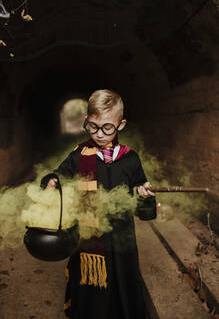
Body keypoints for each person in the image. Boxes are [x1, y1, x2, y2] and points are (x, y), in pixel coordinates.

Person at [40, 89, 156, 319]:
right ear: (86, 121)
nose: (99, 134)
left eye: (107, 127)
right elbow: (58, 176)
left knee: (123, 289)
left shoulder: (130, 159)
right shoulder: (78, 156)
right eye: (93, 126)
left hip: (123, 241)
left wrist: (145, 196)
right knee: (90, 294)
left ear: (121, 125)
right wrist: (52, 181)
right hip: (87, 241)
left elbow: (144, 213)